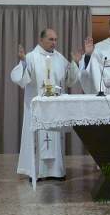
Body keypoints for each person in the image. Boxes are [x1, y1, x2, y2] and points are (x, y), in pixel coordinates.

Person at [11, 29, 82, 181]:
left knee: (54, 138)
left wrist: (75, 63)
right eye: (50, 39)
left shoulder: (59, 58)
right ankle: (37, 172)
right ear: (41, 40)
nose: (54, 42)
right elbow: (21, 79)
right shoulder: (31, 57)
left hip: (54, 108)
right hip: (37, 108)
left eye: (55, 39)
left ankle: (56, 172)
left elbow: (69, 79)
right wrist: (23, 62)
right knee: (37, 137)